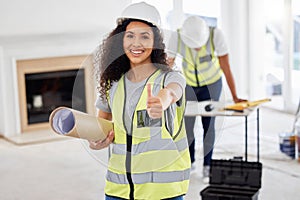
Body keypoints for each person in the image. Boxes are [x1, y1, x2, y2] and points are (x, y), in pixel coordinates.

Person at [90, 2, 190, 200]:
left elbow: (172, 92)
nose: (136, 43)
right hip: (118, 189)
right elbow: (102, 127)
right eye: (130, 36)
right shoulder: (112, 83)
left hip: (163, 191)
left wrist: (161, 101)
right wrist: (96, 141)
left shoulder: (169, 78)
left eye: (145, 36)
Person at [166, 16, 246, 182]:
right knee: (187, 126)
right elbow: (168, 65)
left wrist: (235, 96)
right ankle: (190, 162)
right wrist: (164, 93)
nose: (196, 49)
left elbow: (225, 66)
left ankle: (208, 166)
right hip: (189, 84)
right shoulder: (177, 38)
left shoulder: (216, 35)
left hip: (212, 84)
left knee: (208, 125)